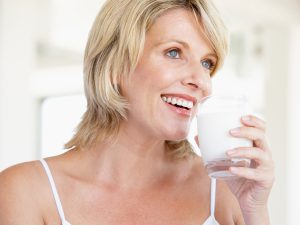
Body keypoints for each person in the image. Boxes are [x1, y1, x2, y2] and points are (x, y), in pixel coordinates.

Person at [0, 0, 274, 224]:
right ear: (115, 65)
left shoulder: (225, 191)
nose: (201, 81)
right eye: (174, 52)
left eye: (207, 62)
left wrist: (255, 212)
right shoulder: (27, 192)